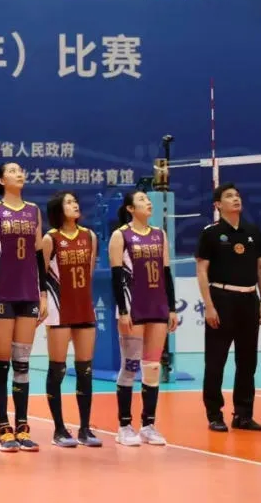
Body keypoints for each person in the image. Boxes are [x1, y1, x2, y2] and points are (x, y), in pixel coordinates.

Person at [0, 162, 49, 452]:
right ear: (1, 179)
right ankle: (3, 427)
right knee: (1, 360)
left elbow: (39, 254)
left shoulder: (33, 211)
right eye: (13, 170)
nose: (20, 173)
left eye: (21, 170)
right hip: (1, 294)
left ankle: (22, 425)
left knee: (22, 362)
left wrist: (43, 293)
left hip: (28, 293)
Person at [196, 182, 261, 432]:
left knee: (247, 361)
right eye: (229, 196)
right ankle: (214, 414)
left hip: (249, 300)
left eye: (237, 195)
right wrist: (209, 306)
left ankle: (243, 415)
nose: (236, 199)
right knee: (216, 360)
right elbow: (202, 271)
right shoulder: (211, 233)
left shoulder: (252, 231)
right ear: (218, 204)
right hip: (222, 299)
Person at [110, 190, 177, 447]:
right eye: (141, 200)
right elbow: (117, 277)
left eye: (148, 200)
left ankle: (148, 425)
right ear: (130, 208)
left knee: (152, 367)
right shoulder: (121, 235)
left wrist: (172, 308)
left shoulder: (160, 235)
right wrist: (123, 311)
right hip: (133, 308)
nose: (148, 202)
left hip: (157, 306)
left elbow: (166, 273)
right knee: (130, 366)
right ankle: (124, 426)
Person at [40, 191, 101, 448]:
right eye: (68, 202)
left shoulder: (89, 236)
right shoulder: (50, 239)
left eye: (75, 201)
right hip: (59, 308)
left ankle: (85, 428)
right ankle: (59, 429)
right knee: (58, 369)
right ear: (57, 209)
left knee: (85, 369)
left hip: (83, 306)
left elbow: (90, 271)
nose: (74, 204)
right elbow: (40, 275)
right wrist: (43, 300)